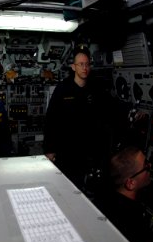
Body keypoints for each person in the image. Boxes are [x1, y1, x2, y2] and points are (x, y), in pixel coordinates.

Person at [43, 45, 112, 194]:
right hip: (67, 150)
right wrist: (49, 149)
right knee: (66, 189)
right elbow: (51, 120)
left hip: (88, 150)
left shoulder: (95, 89)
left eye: (87, 64)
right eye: (81, 64)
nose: (85, 68)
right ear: (73, 67)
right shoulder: (63, 89)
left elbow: (107, 111)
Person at [95, 146, 153, 242]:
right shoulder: (132, 217)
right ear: (131, 183)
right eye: (146, 166)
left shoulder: (106, 199)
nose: (150, 166)